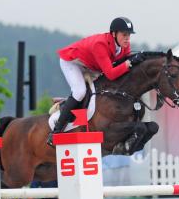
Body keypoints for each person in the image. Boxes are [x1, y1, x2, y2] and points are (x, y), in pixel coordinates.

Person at [47, 17, 145, 145]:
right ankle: (56, 130)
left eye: (129, 35)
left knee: (102, 89)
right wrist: (128, 64)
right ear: (114, 34)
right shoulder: (100, 44)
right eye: (124, 35)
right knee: (80, 92)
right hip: (72, 62)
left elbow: (124, 62)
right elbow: (111, 73)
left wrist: (138, 58)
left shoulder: (124, 46)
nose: (127, 38)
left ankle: (66, 102)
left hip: (91, 66)